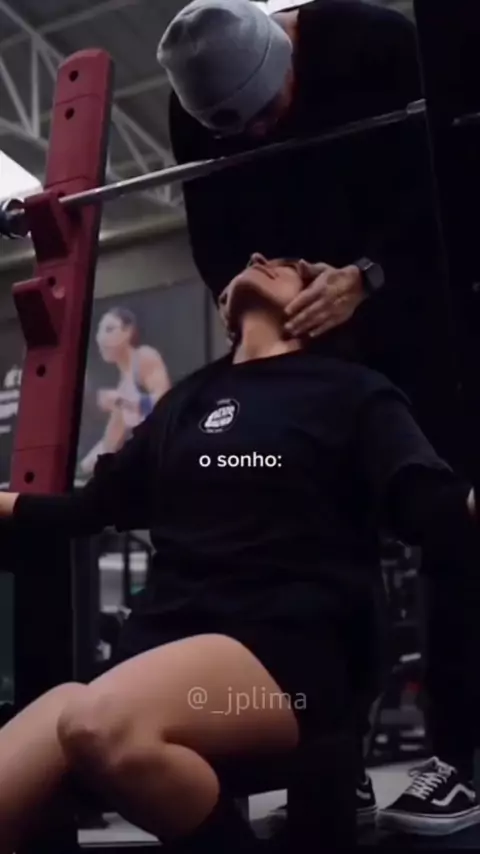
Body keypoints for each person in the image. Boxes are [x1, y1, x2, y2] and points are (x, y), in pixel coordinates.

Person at [0, 254, 479, 854]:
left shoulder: (353, 390)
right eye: (254, 260)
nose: (257, 258)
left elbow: (429, 504)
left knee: (101, 723)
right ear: (225, 306)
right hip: (155, 655)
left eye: (288, 264)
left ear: (321, 304)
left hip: (292, 666)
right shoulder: (186, 401)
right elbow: (86, 510)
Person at [158, 0, 480, 833]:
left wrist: (368, 275)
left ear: (288, 51)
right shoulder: (196, 108)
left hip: (422, 301)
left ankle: (459, 756)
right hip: (310, 325)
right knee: (326, 534)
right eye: (241, 131)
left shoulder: (381, 46)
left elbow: (454, 188)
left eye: (270, 113)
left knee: (447, 524)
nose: (260, 134)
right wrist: (245, 304)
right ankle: (334, 760)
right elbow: (213, 237)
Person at [79, 308, 171, 476]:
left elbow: (166, 404)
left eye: (109, 329)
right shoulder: (124, 384)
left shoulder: (144, 357)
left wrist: (122, 401)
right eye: (99, 331)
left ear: (128, 331)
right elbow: (110, 441)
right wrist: (87, 465)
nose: (101, 338)